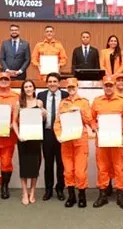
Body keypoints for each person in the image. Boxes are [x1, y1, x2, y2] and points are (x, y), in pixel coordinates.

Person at [91, 77, 123, 209]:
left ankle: (120, 195)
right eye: (106, 85)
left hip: (117, 142)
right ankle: (103, 194)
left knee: (119, 168)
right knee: (102, 168)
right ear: (103, 86)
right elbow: (91, 119)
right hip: (102, 141)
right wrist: (94, 127)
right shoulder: (97, 101)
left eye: (110, 85)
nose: (108, 87)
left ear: (114, 86)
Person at [54, 78, 93, 208]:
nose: (71, 89)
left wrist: (80, 112)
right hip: (66, 142)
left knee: (80, 172)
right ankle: (71, 196)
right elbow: (57, 122)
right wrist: (58, 135)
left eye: (73, 87)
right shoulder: (62, 103)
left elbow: (89, 121)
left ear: (77, 87)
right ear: (67, 88)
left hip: (80, 141)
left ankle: (82, 195)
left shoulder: (84, 102)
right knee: (68, 171)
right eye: (69, 87)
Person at [37, 72, 68, 200]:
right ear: (46, 83)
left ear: (59, 83)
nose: (52, 84)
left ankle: (60, 189)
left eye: (55, 81)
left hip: (62, 133)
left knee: (61, 163)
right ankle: (48, 190)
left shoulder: (66, 95)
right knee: (48, 163)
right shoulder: (41, 95)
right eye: (50, 81)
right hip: (47, 132)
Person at [13, 79, 44, 206]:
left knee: (35, 166)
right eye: (26, 87)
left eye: (30, 86)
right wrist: (18, 135)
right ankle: (24, 192)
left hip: (36, 138)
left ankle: (32, 191)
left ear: (34, 88)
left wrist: (44, 114)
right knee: (24, 166)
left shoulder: (39, 102)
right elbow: (14, 121)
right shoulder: (18, 103)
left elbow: (43, 119)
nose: (28, 89)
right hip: (23, 138)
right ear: (23, 89)